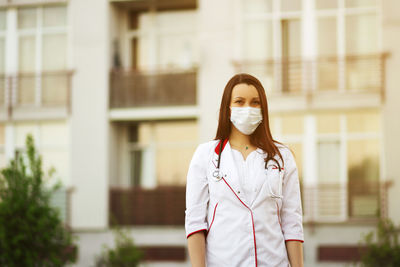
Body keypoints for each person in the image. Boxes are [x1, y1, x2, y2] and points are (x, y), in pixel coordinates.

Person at [185, 73, 304, 267]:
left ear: (263, 109)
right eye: (239, 102)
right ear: (227, 108)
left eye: (255, 102)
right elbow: (195, 222)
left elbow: (292, 221)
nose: (248, 108)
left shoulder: (282, 156)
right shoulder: (205, 155)